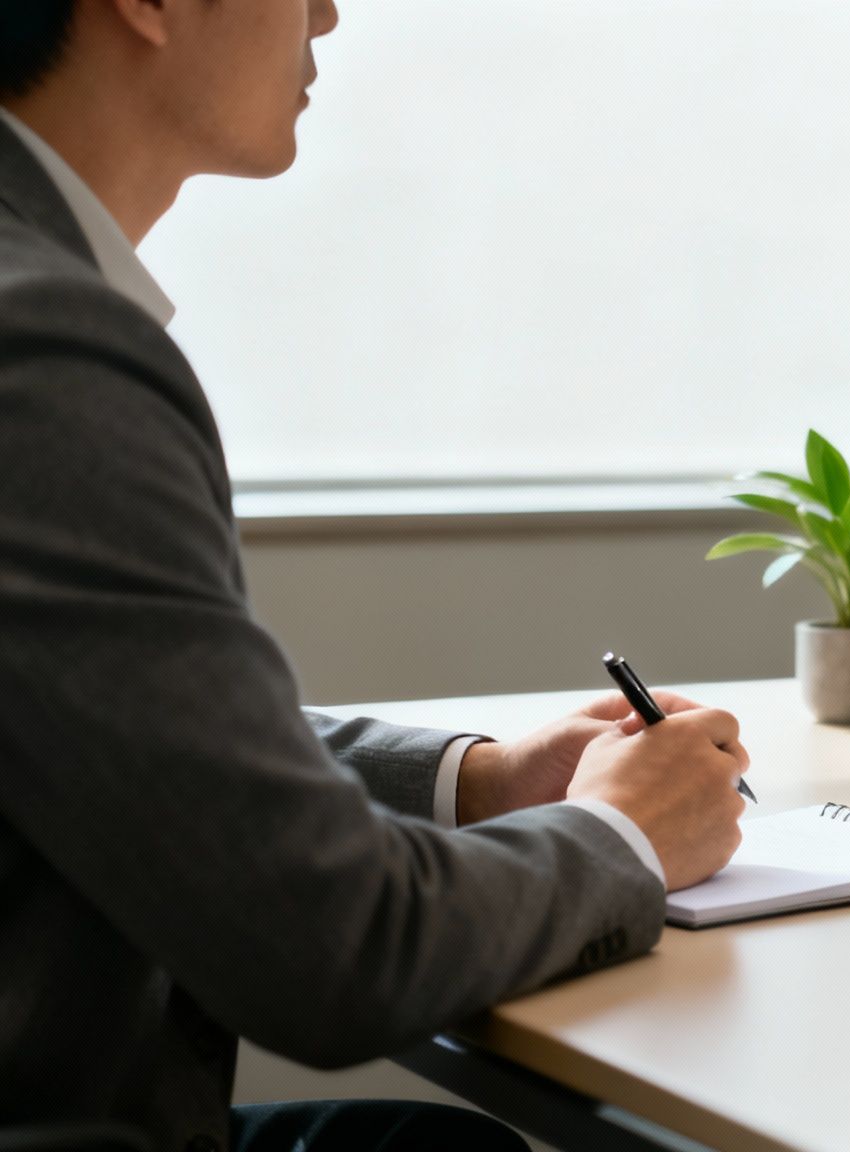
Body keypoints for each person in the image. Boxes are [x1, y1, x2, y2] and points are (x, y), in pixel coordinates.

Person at [0, 1, 750, 1148]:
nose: (329, 12)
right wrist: (622, 839)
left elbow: (133, 729)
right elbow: (332, 951)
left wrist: (480, 782)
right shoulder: (44, 347)